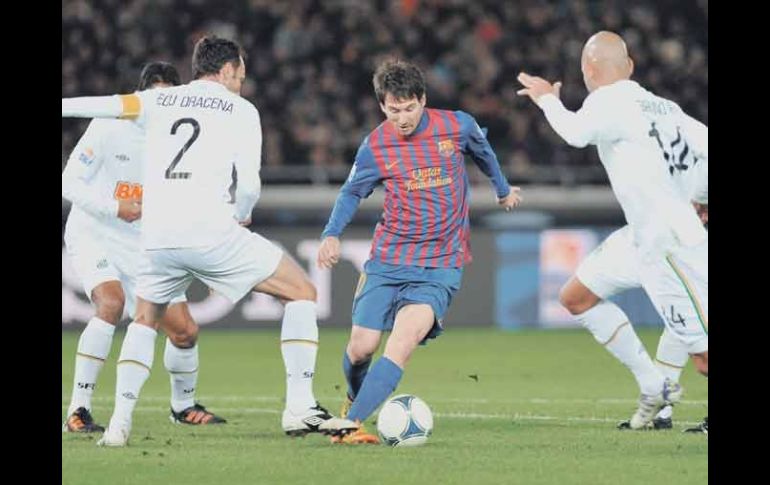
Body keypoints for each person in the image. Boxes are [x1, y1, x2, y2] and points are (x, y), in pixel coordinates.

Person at [62, 36, 356, 446]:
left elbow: (104, 104)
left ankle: (118, 427)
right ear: (227, 70)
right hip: (209, 231)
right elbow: (249, 186)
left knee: (144, 320)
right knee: (301, 292)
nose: (243, 80)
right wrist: (240, 213)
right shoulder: (242, 110)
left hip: (158, 237)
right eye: (241, 73)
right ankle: (300, 407)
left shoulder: (159, 101)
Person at [317, 59, 522, 444]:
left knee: (403, 341)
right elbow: (351, 193)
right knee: (361, 348)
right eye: (394, 110)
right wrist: (331, 234)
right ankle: (353, 399)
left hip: (439, 266)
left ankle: (351, 423)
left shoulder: (456, 125)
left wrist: (502, 189)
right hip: (388, 260)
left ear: (423, 100)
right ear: (382, 106)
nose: (404, 117)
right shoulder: (376, 145)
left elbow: (484, 150)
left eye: (410, 108)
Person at [517, 31, 707, 432]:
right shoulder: (665, 107)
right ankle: (653, 385)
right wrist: (702, 197)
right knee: (576, 297)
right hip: (642, 237)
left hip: (669, 244)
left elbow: (574, 133)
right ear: (631, 66)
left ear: (588, 68)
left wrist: (544, 97)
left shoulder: (608, 100)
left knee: (704, 357)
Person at [62, 62, 226, 432]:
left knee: (184, 331)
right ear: (138, 97)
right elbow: (68, 182)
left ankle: (182, 407)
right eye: (154, 96)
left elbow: (194, 200)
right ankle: (78, 410)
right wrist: (113, 207)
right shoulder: (108, 126)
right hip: (94, 230)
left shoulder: (182, 139)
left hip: (143, 243)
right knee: (111, 301)